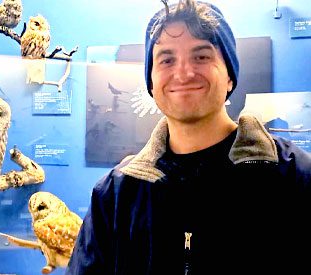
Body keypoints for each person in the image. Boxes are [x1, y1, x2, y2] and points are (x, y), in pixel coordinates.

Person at [66, 0, 311, 274]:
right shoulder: (115, 195)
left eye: (201, 56)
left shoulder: (296, 178)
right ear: (150, 81)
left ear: (230, 75)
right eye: (167, 59)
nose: (183, 73)